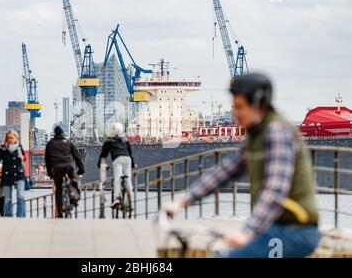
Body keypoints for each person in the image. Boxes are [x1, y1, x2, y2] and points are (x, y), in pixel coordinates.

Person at [167, 73, 320, 258]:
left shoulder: (276, 131)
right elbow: (227, 170)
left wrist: (247, 231)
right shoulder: (256, 134)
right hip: (276, 227)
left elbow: (275, 189)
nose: (235, 113)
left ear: (258, 105)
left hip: (294, 231)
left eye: (240, 107)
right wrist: (186, 199)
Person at [45, 125, 85, 218]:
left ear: (54, 134)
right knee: (73, 182)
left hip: (56, 168)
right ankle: (74, 200)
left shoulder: (50, 144)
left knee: (58, 189)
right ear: (62, 133)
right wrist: (81, 169)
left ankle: (59, 213)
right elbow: (77, 157)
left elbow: (47, 160)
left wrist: (50, 173)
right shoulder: (68, 142)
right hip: (68, 166)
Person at [97, 122, 137, 208]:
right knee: (128, 179)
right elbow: (130, 153)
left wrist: (99, 164)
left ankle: (116, 198)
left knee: (117, 179)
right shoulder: (125, 140)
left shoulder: (108, 141)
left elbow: (103, 155)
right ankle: (131, 202)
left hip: (117, 159)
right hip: (128, 160)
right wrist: (133, 164)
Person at [0, 130, 26, 218]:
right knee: (7, 199)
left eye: (12, 138)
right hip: (7, 175)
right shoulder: (3, 149)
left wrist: (22, 157)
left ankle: (21, 217)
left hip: (19, 174)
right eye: (8, 138)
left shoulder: (19, 148)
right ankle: (8, 217)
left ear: (16, 138)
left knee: (20, 196)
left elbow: (24, 159)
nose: (10, 140)